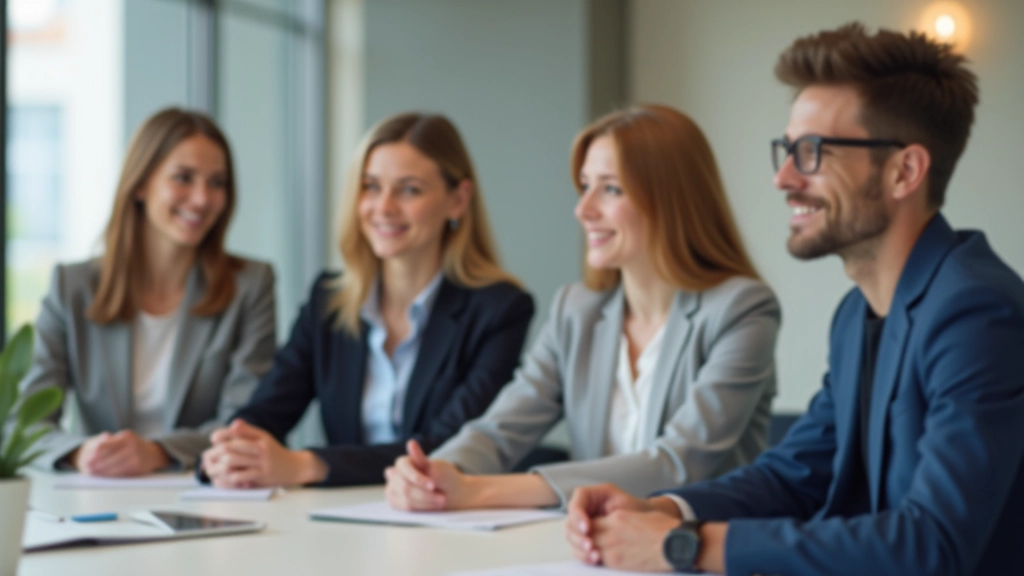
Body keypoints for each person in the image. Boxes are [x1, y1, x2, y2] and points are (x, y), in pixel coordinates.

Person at [565, 23, 1024, 576]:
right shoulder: (856, 315)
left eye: (811, 152)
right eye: (786, 150)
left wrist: (684, 545)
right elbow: (794, 473)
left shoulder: (977, 313)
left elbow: (932, 545)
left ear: (904, 170)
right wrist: (660, 510)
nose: (783, 177)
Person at [384, 104, 780, 512]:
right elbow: (501, 429)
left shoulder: (742, 309)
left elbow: (680, 463)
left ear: (670, 199)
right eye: (585, 185)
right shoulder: (576, 311)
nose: (583, 209)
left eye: (610, 189)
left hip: (699, 553)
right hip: (592, 550)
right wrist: (432, 473)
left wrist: (479, 491)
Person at [199, 112, 535, 488]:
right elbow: (269, 409)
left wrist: (309, 465)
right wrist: (231, 451)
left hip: (445, 518)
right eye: (371, 186)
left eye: (409, 190)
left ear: (458, 200)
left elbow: (450, 446)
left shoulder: (499, 310)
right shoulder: (328, 301)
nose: (384, 207)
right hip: (345, 518)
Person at [21, 108, 277, 476]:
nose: (202, 198)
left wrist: (157, 452)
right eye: (183, 178)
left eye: (217, 182)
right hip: (97, 493)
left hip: (203, 493)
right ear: (140, 184)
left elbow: (244, 423)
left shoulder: (250, 286)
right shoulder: (72, 287)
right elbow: (26, 422)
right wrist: (81, 453)